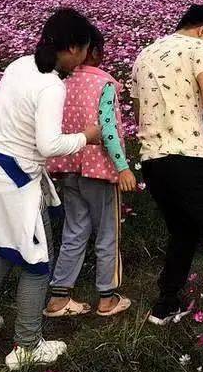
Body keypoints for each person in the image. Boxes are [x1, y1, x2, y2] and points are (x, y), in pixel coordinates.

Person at [0, 9, 101, 370]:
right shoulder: (51, 84)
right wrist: (87, 137)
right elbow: (49, 144)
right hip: (13, 180)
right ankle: (27, 344)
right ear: (72, 47)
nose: (85, 56)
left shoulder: (21, 64)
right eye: (84, 49)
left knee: (4, 249)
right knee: (36, 263)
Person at [131, 4, 203, 326]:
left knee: (183, 231)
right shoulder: (199, 46)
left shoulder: (144, 54)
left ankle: (166, 304)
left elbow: (137, 111)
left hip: (153, 160)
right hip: (188, 155)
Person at [44, 26, 136, 319]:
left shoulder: (64, 82)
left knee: (74, 230)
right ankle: (107, 298)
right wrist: (122, 167)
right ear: (95, 52)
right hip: (99, 168)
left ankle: (60, 296)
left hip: (69, 165)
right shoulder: (104, 84)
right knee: (108, 233)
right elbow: (108, 128)